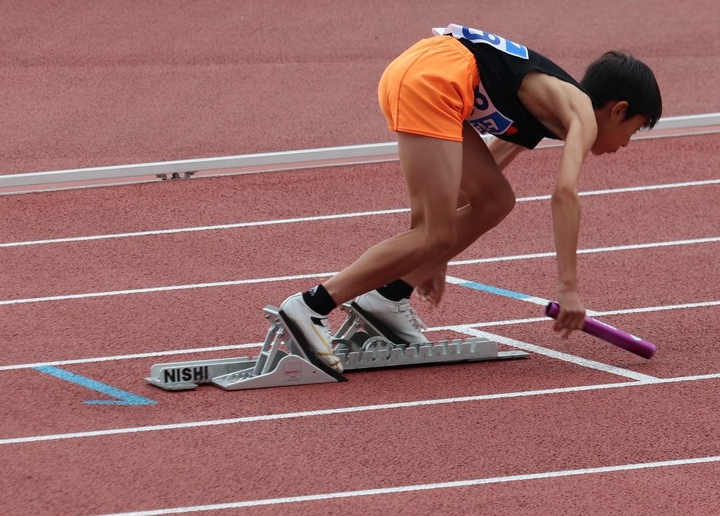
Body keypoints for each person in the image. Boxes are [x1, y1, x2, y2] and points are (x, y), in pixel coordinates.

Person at [280, 24, 662, 372]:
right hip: (433, 79)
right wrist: (568, 289)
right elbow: (564, 194)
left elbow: (475, 184)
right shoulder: (581, 114)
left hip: (430, 73)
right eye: (632, 131)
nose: (626, 144)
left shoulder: (548, 106)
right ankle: (311, 306)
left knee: (494, 201)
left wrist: (433, 257)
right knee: (435, 233)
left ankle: (388, 299)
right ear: (618, 110)